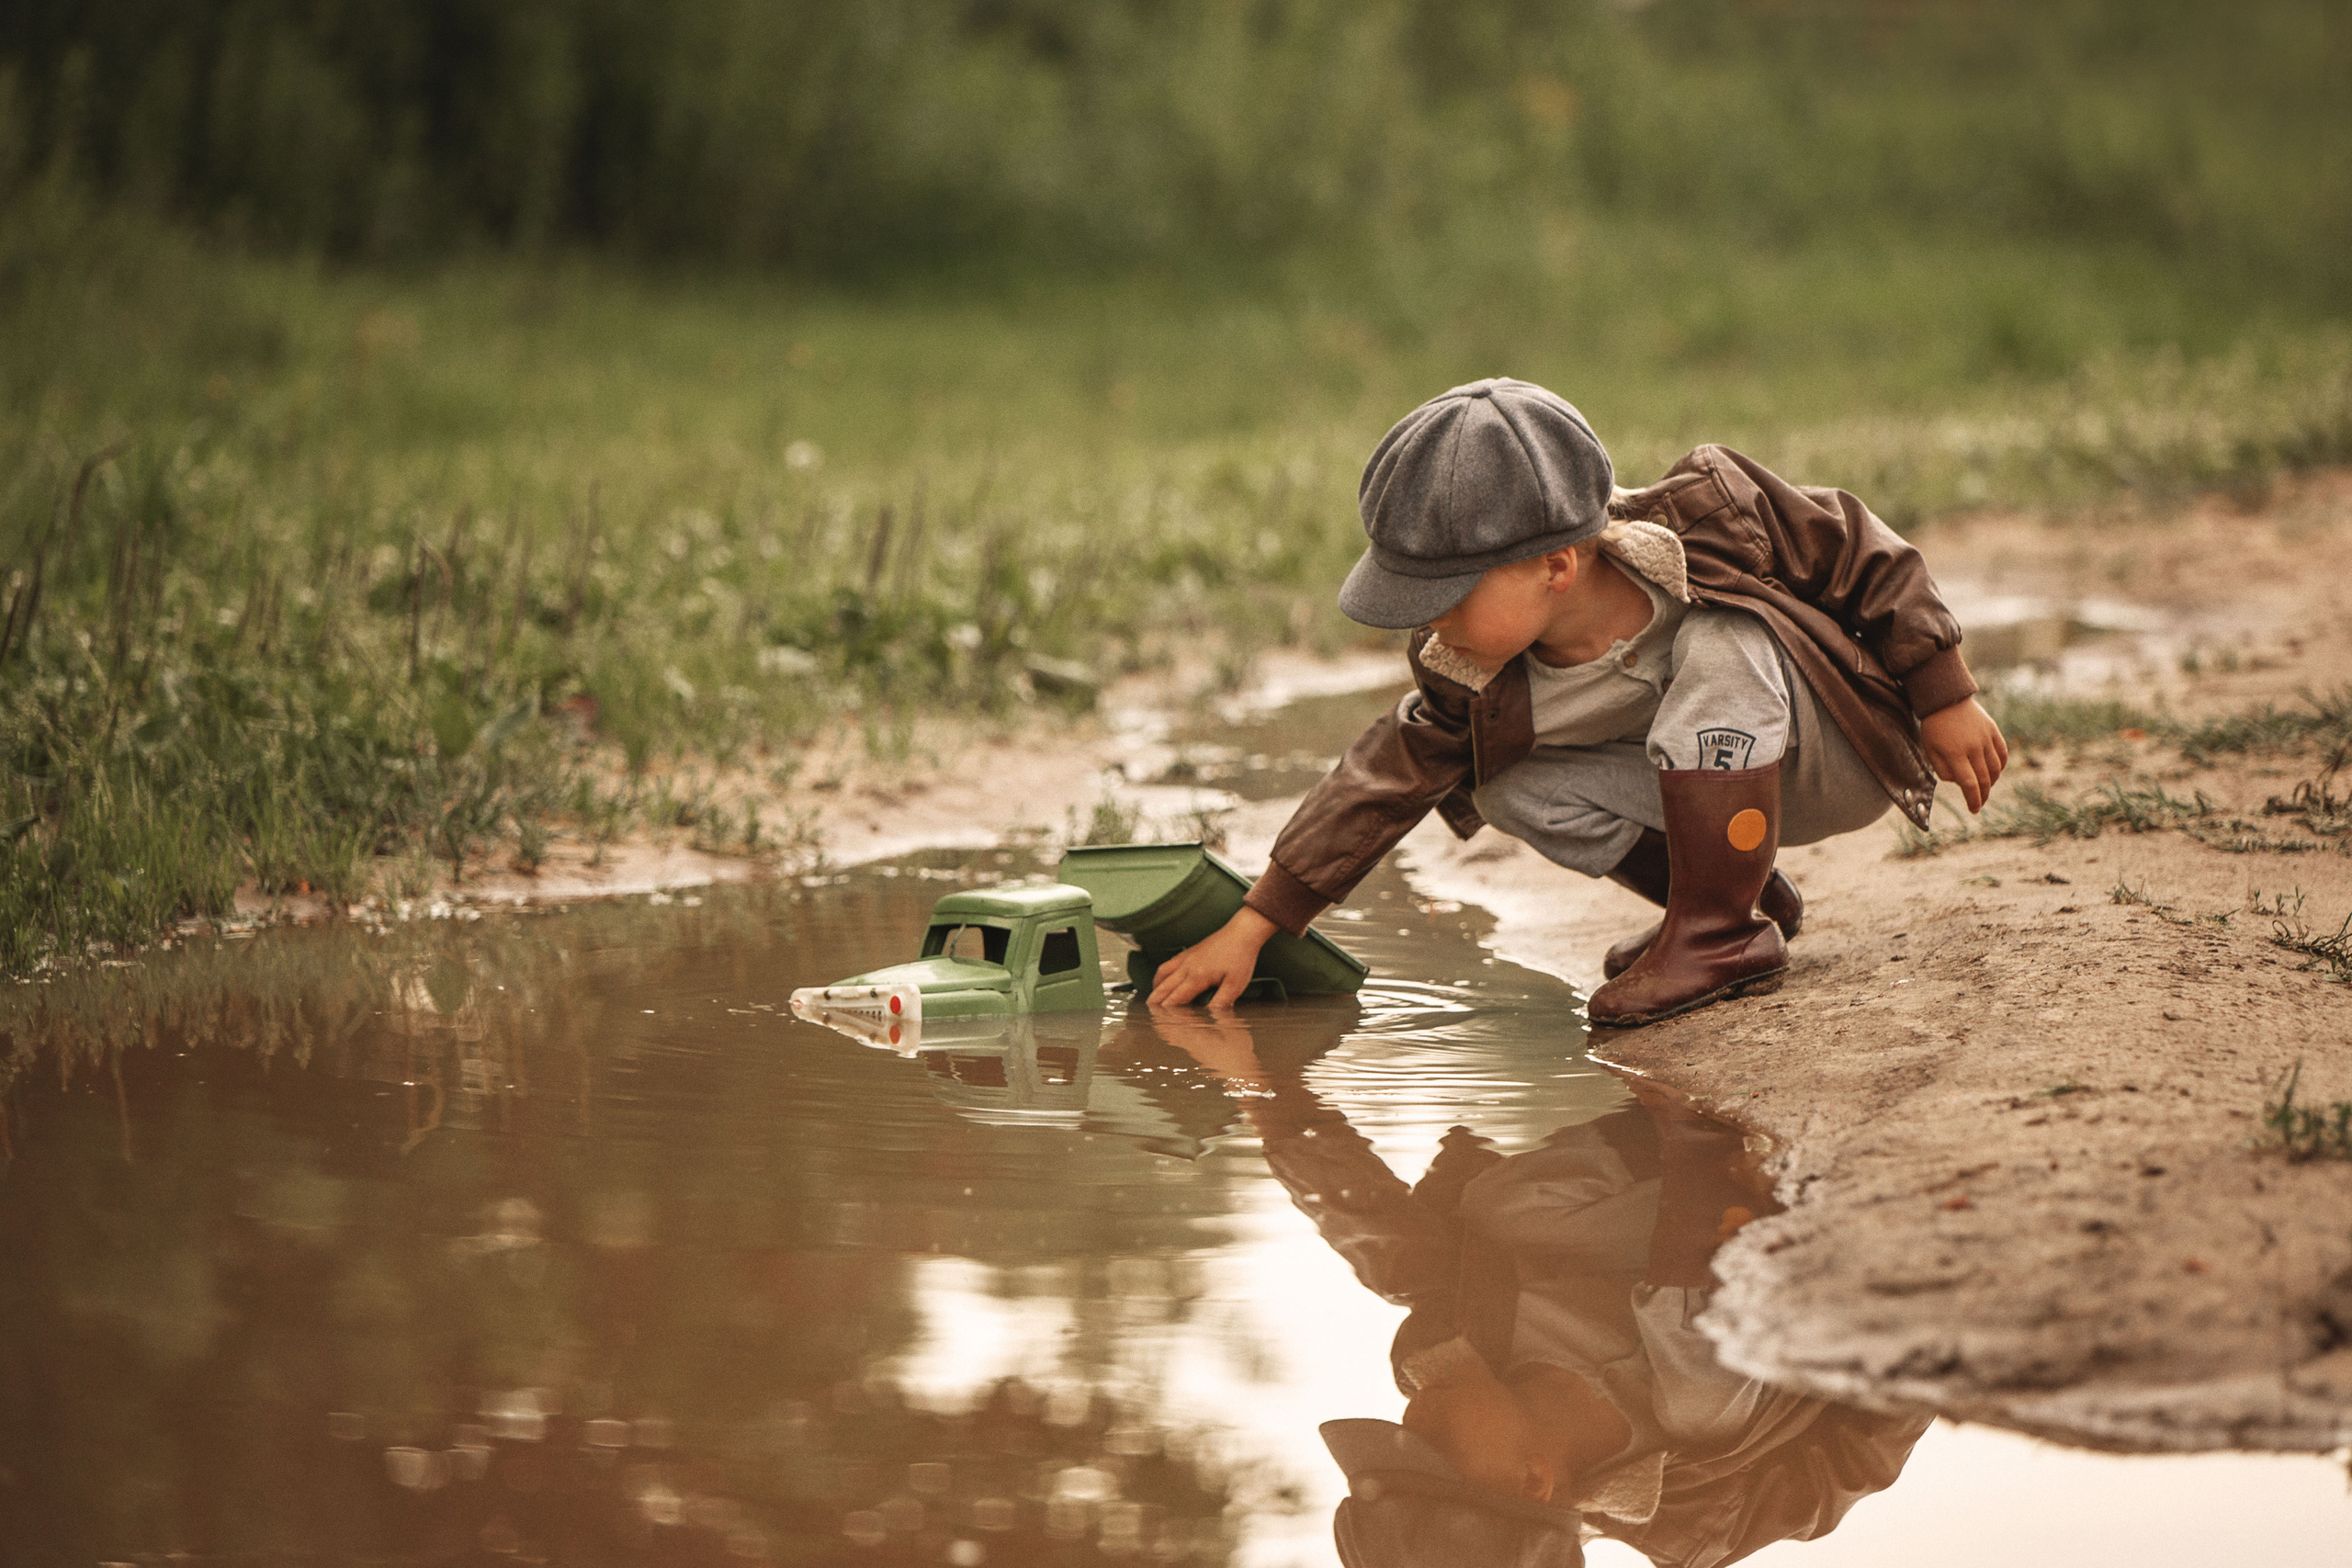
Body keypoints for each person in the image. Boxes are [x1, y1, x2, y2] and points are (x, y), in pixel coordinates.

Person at [1148, 378, 2007, 1026]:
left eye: (1447, 592)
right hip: (1724, 812)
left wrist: (1944, 694)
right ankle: (1724, 909)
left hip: (1835, 749)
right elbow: (1383, 773)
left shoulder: (1709, 519)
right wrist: (1261, 920)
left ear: (1556, 567)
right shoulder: (1467, 667)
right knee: (1499, 783)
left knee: (1722, 635)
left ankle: (1712, 936)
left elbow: (1860, 546)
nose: (1429, 621)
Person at [1170, 1018, 1928, 1567]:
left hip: (1675, 1184)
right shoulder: (1700, 1524)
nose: (1412, 1415)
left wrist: (1252, 1077)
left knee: (1493, 1213)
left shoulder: (1451, 1354)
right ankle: (1795, 1174)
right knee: (1702, 1392)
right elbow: (1855, 1458)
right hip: (1818, 1272)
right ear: (1537, 1478)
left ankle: (1697, 1106)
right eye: (1432, 1448)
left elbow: (1376, 1230)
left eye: (1399, 1437)